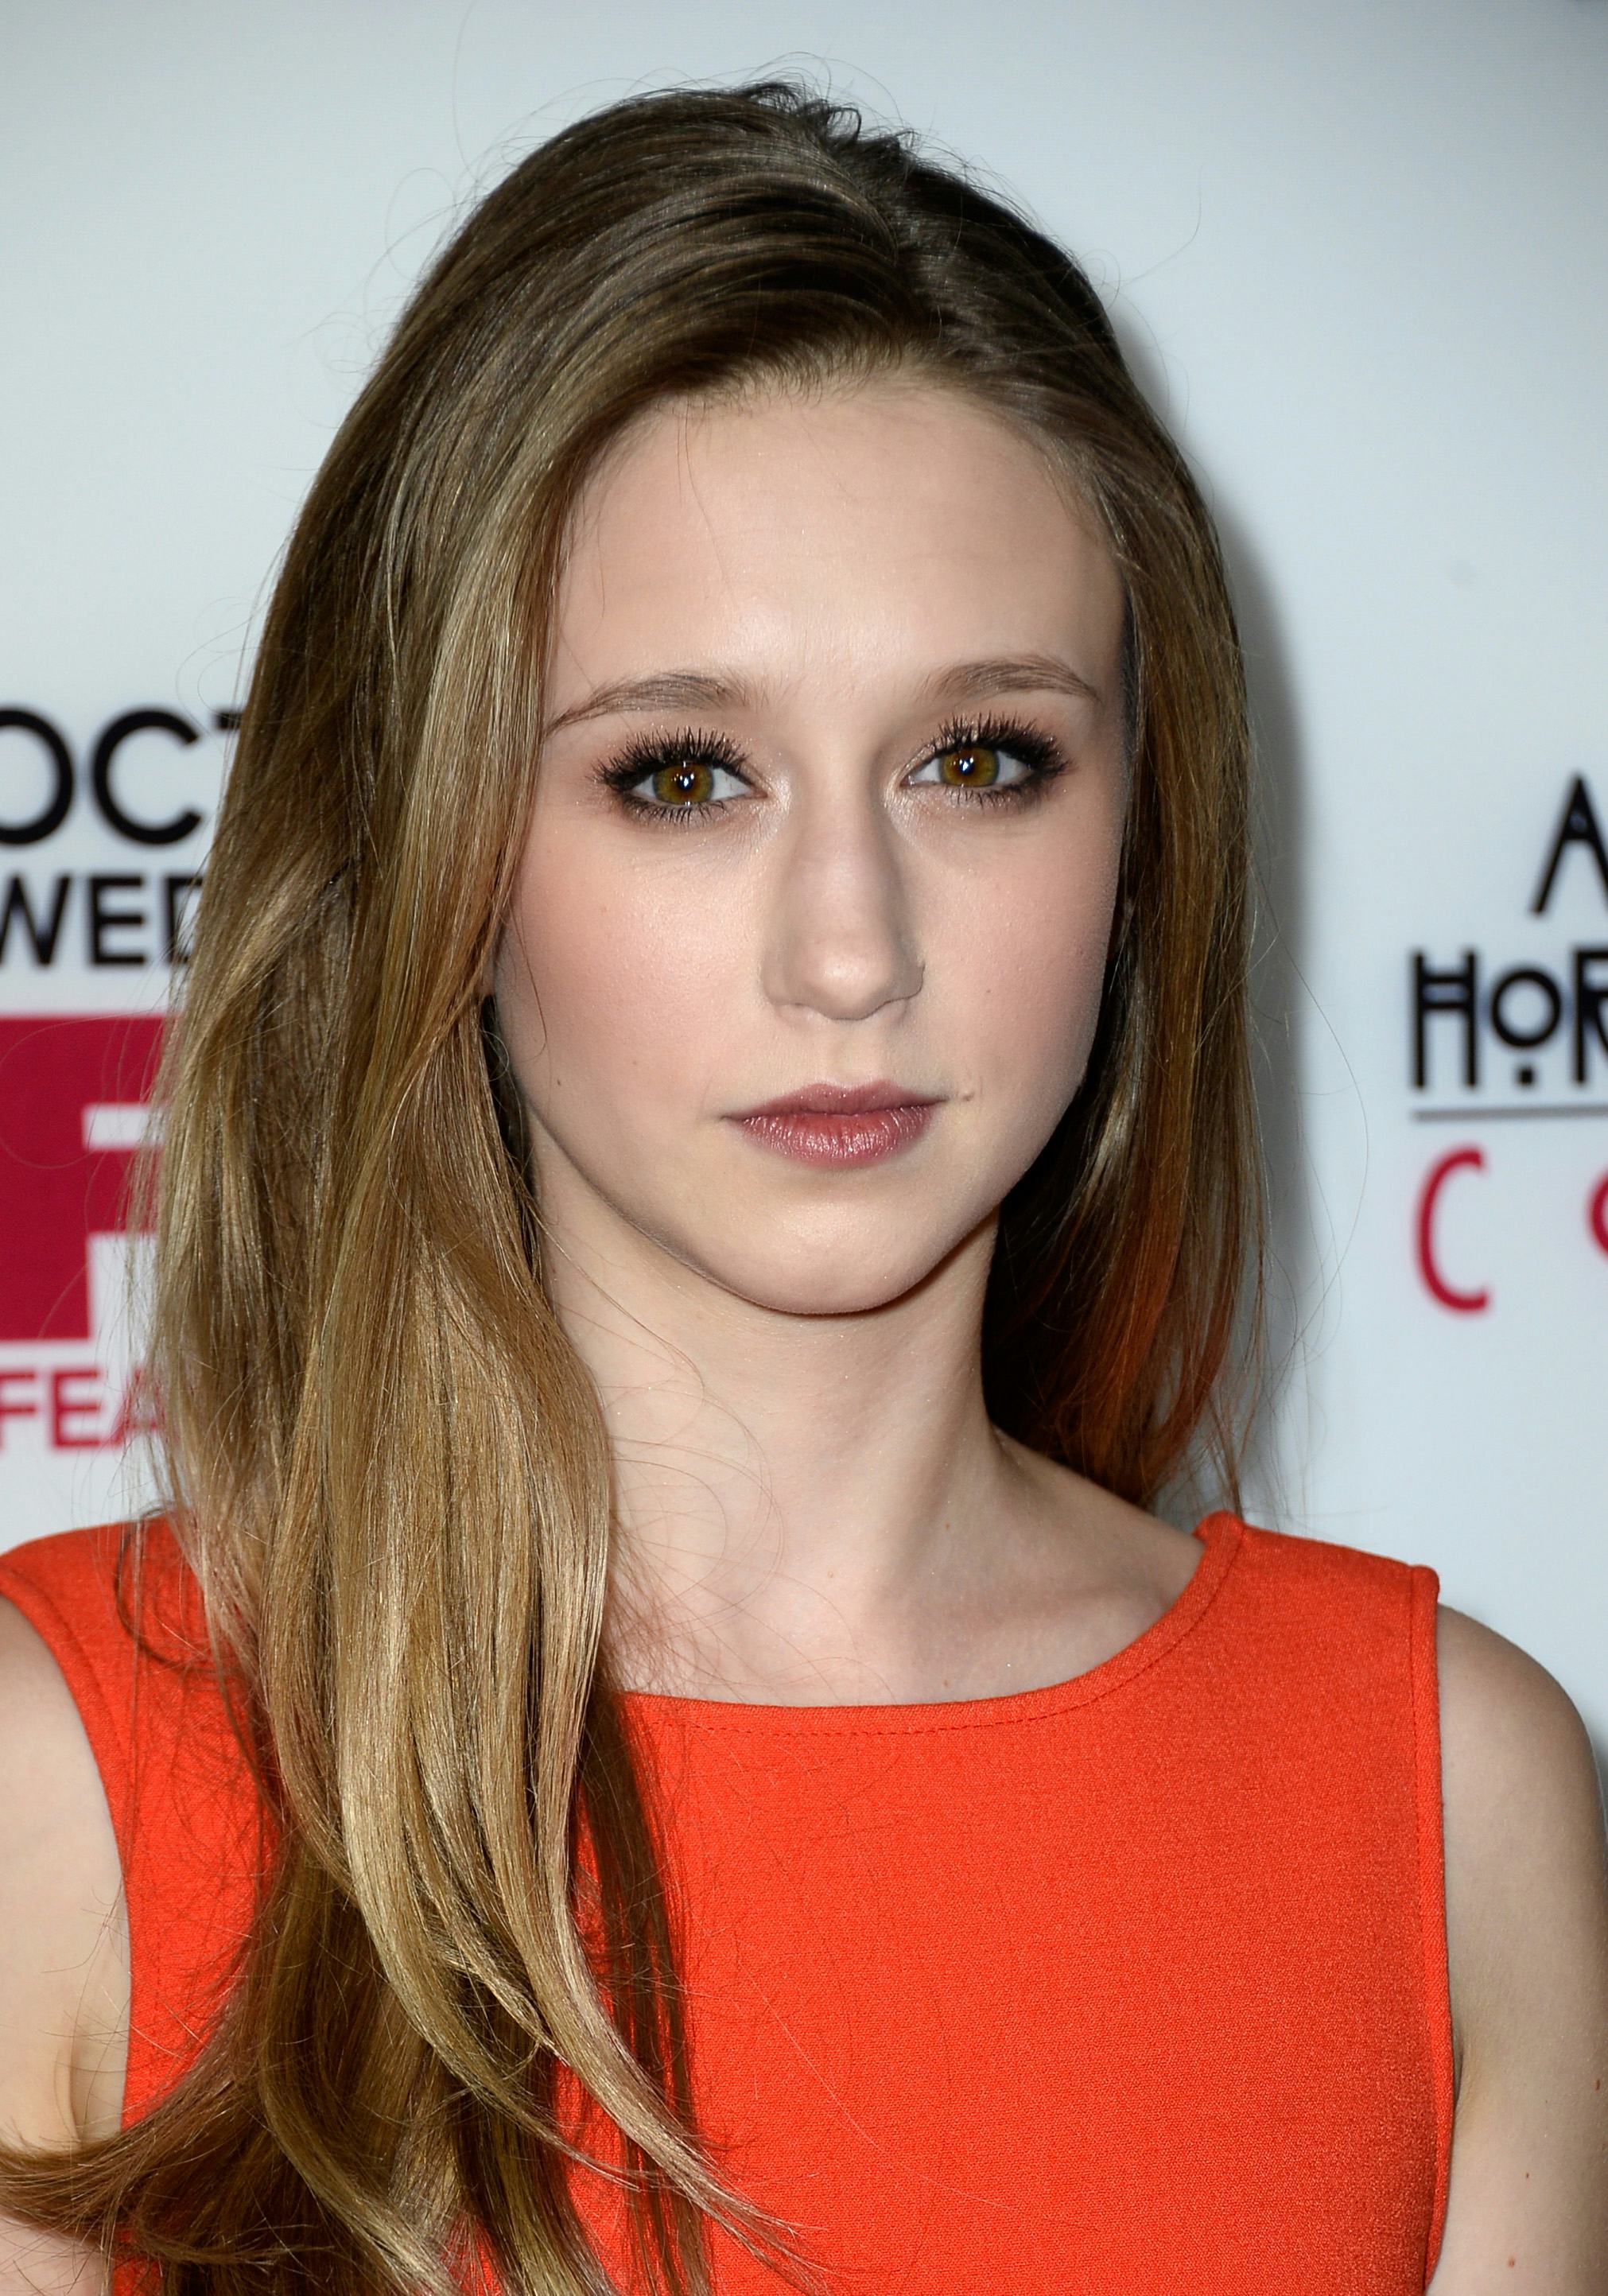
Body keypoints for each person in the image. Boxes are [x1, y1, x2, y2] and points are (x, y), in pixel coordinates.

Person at [0, 75, 1604, 2296]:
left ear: (1140, 837)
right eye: (682, 774)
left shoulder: (1442, 1799)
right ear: (440, 846)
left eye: (981, 760)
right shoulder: (74, 1784)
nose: (851, 949)